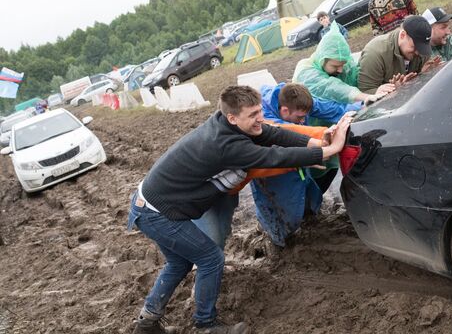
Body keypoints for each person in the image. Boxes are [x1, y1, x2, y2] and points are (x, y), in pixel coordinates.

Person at [127, 85, 352, 334]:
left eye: (259, 110)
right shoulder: (226, 145)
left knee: (178, 264)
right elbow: (274, 157)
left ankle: (146, 324)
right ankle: (205, 324)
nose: (260, 118)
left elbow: (273, 134)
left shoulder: (228, 124)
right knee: (210, 258)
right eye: (253, 114)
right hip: (155, 212)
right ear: (232, 117)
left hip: (150, 202)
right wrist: (328, 151)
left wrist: (316, 141)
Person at [249, 83, 354, 246]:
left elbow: (326, 107)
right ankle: (279, 241)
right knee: (282, 214)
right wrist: (324, 143)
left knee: (310, 199)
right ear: (284, 111)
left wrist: (362, 105)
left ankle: (309, 221)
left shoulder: (295, 100)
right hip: (272, 173)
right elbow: (288, 134)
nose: (303, 120)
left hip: (299, 163)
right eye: (299, 118)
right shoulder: (263, 120)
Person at [293, 21, 395, 105]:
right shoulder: (305, 71)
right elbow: (332, 88)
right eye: (335, 66)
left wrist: (378, 89)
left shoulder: (345, 64)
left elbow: (360, 79)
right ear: (323, 60)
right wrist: (367, 97)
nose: (341, 70)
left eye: (343, 65)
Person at [357, 15, 433, 92]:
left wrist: (424, 75)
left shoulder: (422, 51)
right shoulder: (375, 54)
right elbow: (365, 92)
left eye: (421, 48)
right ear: (402, 35)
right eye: (414, 47)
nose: (418, 52)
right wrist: (393, 90)